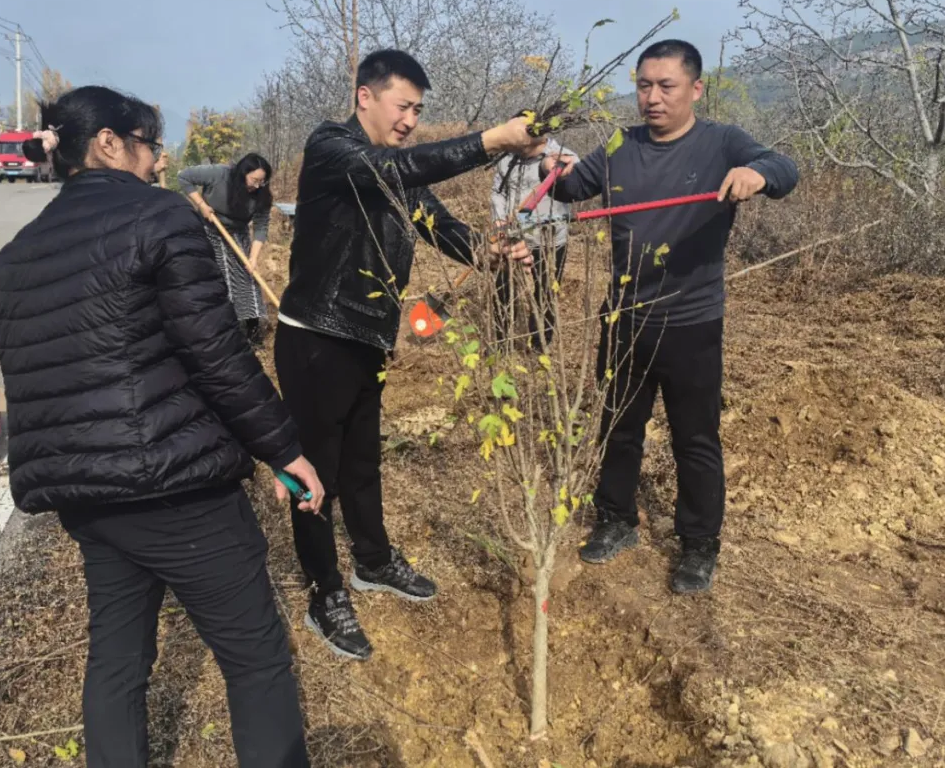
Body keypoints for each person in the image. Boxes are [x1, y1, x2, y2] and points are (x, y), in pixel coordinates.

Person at [0, 87, 324, 768]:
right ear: (109, 143)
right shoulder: (158, 216)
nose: (157, 159)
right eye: (149, 142)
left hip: (86, 500)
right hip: (177, 491)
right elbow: (218, 356)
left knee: (117, 658)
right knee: (256, 657)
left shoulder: (13, 260)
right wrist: (286, 449)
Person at [275, 48, 544, 660]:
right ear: (365, 96)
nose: (411, 122)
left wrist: (486, 250)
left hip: (369, 334)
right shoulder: (331, 149)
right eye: (404, 107)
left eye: (419, 111)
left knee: (363, 460)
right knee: (313, 476)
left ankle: (372, 559)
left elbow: (434, 220)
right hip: (316, 336)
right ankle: (325, 593)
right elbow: (401, 169)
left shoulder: (396, 171)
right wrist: (493, 139)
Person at [542, 39, 799, 594]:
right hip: (624, 317)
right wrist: (551, 166)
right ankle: (616, 520)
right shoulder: (619, 143)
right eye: (643, 86)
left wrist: (757, 176)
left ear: (695, 89)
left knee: (695, 438)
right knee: (618, 425)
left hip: (692, 321)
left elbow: (783, 167)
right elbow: (571, 186)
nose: (652, 98)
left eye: (667, 86)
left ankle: (699, 545)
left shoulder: (721, 142)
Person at [490, 137, 579, 350]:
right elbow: (498, 192)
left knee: (546, 292)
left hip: (548, 239)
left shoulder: (564, 157)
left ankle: (540, 345)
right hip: (511, 238)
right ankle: (500, 344)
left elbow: (575, 187)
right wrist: (499, 220)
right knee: (502, 289)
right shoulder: (507, 157)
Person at [179, 153, 273, 346]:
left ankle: (253, 334)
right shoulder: (219, 174)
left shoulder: (261, 195)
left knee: (247, 280)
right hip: (210, 228)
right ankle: (224, 332)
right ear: (242, 173)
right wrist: (201, 204)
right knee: (220, 279)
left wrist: (253, 259)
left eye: (261, 182)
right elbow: (184, 177)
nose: (257, 186)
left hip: (238, 233)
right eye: (254, 180)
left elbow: (261, 227)